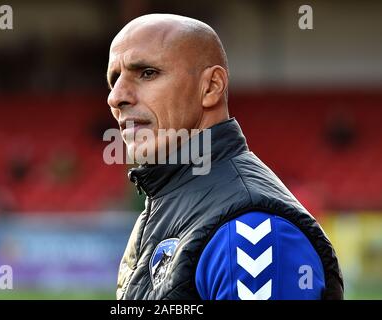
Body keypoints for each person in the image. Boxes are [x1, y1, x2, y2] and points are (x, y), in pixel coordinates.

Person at [106, 14, 343, 300]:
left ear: (211, 87)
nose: (116, 97)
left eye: (147, 73)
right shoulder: (163, 206)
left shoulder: (252, 230)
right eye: (114, 79)